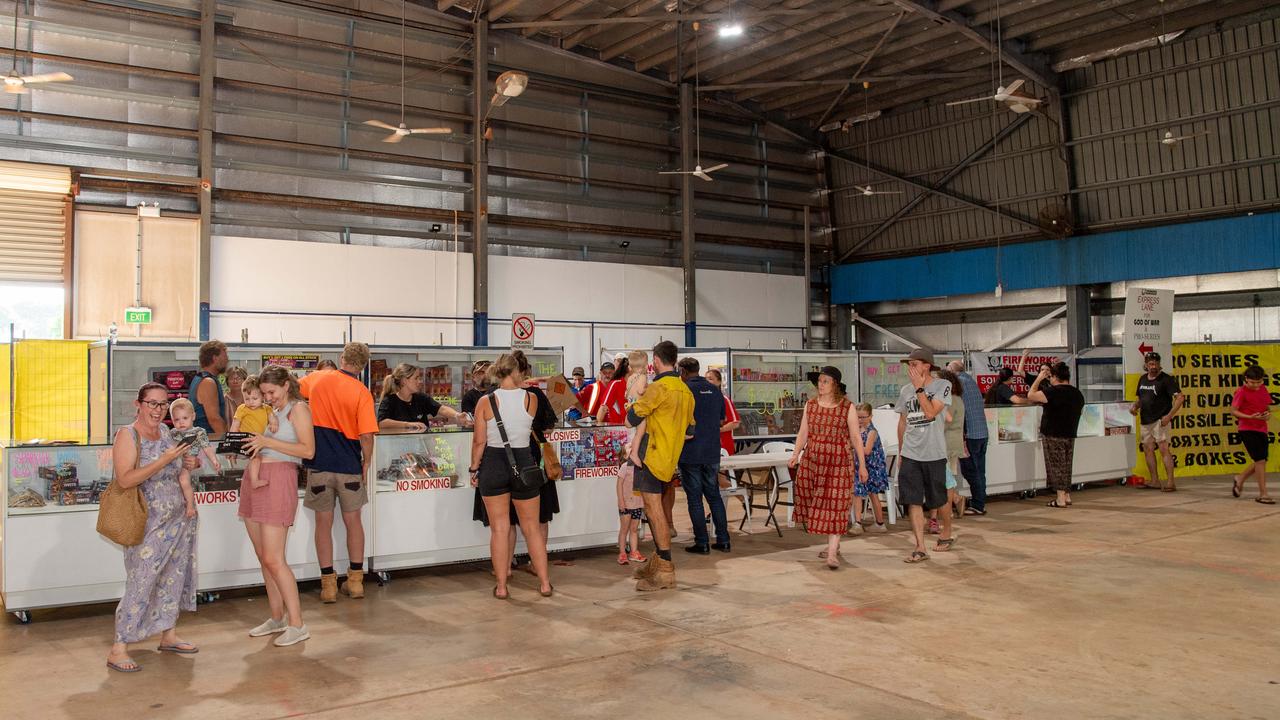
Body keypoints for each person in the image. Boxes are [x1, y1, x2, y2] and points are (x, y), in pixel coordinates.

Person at [105, 383, 201, 673]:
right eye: (152, 404)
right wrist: (165, 460)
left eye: (162, 404)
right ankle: (119, 646)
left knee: (173, 577)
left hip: (178, 518)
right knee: (141, 580)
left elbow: (178, 471)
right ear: (139, 404)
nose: (158, 410)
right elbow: (125, 479)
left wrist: (189, 463)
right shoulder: (128, 435)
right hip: (146, 521)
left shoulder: (167, 434)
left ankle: (168, 633)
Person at [240, 365, 315, 647]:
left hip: (279, 478)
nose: (268, 397)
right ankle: (277, 617)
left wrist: (266, 441)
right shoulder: (271, 411)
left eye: (271, 392)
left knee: (274, 558)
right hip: (255, 477)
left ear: (286, 385)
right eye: (264, 393)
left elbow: (308, 450)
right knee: (264, 556)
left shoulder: (299, 409)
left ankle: (298, 624)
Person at [469, 352, 553, 600]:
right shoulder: (531, 399)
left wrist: (474, 469)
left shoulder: (485, 401)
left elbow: (479, 441)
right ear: (517, 371)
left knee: (500, 529)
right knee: (532, 529)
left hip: (494, 464)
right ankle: (545, 583)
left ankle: (502, 587)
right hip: (524, 462)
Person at [304, 342, 379, 603]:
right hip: (349, 467)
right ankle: (356, 581)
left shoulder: (318, 378)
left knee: (322, 524)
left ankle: (328, 586)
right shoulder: (362, 392)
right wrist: (366, 463)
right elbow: (367, 436)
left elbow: (290, 388)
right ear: (363, 365)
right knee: (354, 523)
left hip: (319, 464)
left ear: (341, 358)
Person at [627, 341, 694, 592]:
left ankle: (665, 568)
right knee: (654, 510)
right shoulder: (685, 391)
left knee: (654, 511)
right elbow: (690, 430)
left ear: (655, 360)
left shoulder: (658, 388)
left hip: (649, 455)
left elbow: (629, 419)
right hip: (669, 457)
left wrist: (636, 400)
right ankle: (658, 560)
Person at [788, 367, 867, 570]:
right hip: (814, 461)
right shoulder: (811, 405)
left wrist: (862, 465)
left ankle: (832, 553)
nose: (820, 385)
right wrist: (795, 454)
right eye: (820, 381)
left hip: (839, 463)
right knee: (818, 504)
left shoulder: (846, 407)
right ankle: (834, 545)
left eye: (825, 381)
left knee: (837, 505)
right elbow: (803, 432)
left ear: (835, 385)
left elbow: (856, 437)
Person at [897, 348, 954, 564]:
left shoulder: (943, 386)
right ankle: (920, 547)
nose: (910, 369)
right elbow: (903, 421)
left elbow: (931, 412)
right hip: (911, 452)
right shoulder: (905, 390)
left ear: (926, 366)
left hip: (934, 452)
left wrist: (919, 388)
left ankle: (946, 531)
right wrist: (902, 450)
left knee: (938, 500)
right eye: (908, 365)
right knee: (913, 500)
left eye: (914, 364)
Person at [678, 357, 731, 554]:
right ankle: (724, 540)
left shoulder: (684, 391)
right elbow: (721, 421)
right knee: (714, 495)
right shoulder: (716, 392)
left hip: (690, 452)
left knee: (695, 499)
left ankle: (702, 542)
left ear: (682, 371)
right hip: (712, 452)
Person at [1028, 362, 1086, 509]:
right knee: (1066, 465)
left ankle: (1060, 498)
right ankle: (1066, 495)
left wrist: (1039, 379)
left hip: (1053, 433)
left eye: (1050, 376)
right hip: (1070, 433)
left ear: (1054, 377)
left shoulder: (1053, 391)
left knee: (1056, 466)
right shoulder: (1077, 393)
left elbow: (1031, 395)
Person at [1129, 351, 1184, 492]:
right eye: (1151, 364)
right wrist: (1135, 406)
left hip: (1160, 420)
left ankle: (1171, 482)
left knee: (1164, 449)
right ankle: (1155, 480)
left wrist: (1169, 416)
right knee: (1148, 449)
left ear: (1159, 364)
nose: (1153, 366)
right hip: (1145, 420)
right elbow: (1142, 398)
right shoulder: (1142, 379)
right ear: (1146, 365)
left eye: (1156, 363)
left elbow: (1180, 398)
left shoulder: (1166, 379)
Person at [947, 360, 990, 516]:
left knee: (971, 471)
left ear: (952, 371)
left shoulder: (958, 386)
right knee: (980, 471)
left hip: (969, 435)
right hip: (982, 433)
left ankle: (978, 504)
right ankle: (980, 502)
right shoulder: (971, 381)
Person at [377, 363, 472, 432]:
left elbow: (441, 409)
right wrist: (408, 425)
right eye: (416, 378)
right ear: (404, 381)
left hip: (420, 447)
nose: (420, 381)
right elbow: (382, 423)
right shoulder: (389, 401)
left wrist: (456, 416)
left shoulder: (421, 398)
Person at [167, 398, 221, 519]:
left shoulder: (199, 432)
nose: (181, 422)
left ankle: (190, 506)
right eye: (177, 419)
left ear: (193, 416)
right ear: (172, 420)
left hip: (187, 461)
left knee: (184, 480)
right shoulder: (172, 433)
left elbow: (207, 447)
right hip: (173, 460)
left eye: (185, 418)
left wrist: (214, 460)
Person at [1230, 365, 1273, 504]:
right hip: (1247, 428)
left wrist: (1267, 415)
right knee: (1260, 460)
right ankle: (1263, 493)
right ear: (1246, 379)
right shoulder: (1241, 392)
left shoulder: (1263, 389)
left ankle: (1240, 478)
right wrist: (1250, 417)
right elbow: (1234, 411)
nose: (1256, 385)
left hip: (1262, 428)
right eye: (1253, 383)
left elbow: (1267, 407)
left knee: (1261, 460)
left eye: (1259, 382)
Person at [230, 376, 277, 494]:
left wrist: (273, 423)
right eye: (247, 398)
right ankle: (254, 481)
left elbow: (273, 418)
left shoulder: (267, 408)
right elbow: (235, 425)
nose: (250, 402)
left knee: (264, 458)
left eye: (254, 398)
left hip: (262, 440)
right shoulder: (242, 409)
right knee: (256, 458)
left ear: (263, 396)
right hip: (247, 439)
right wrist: (231, 443)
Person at [937, 369, 967, 523]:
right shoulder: (958, 399)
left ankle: (951, 504)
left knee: (944, 478)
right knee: (948, 477)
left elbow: (945, 421)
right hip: (954, 442)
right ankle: (955, 500)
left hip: (947, 442)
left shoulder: (950, 400)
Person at [852, 403, 888, 533]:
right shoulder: (857, 430)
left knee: (873, 495)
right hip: (859, 466)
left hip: (873, 467)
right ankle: (857, 522)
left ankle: (880, 523)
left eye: (863, 417)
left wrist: (855, 445)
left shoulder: (872, 432)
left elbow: (867, 450)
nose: (860, 420)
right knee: (857, 494)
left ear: (871, 416)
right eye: (858, 417)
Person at [189, 339, 229, 434]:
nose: (227, 360)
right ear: (215, 358)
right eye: (225, 356)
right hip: (209, 441)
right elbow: (214, 419)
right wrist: (228, 442)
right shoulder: (208, 382)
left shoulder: (200, 379)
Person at [706, 368, 741, 455]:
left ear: (719, 382)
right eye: (705, 379)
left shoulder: (724, 400)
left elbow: (735, 423)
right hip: (706, 445)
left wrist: (717, 430)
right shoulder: (702, 400)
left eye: (710, 379)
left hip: (723, 446)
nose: (707, 381)